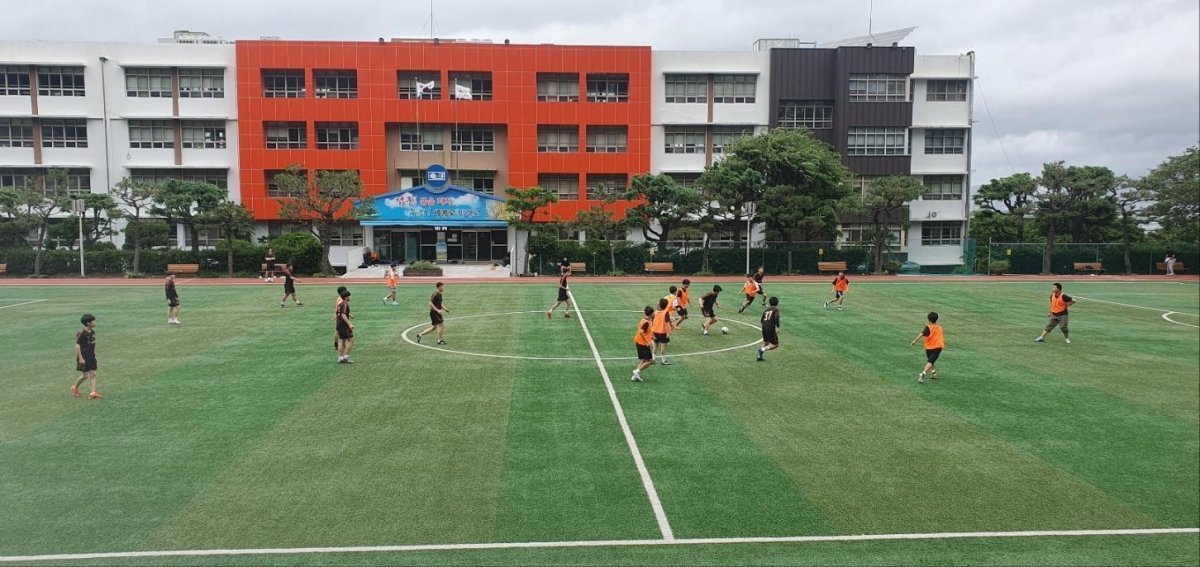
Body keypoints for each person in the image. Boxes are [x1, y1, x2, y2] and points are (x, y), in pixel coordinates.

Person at [71, 314, 102, 399]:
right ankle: (75, 387)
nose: (95, 322)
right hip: (84, 357)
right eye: (93, 321)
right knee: (85, 376)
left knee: (93, 373)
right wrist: (80, 358)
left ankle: (92, 393)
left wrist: (94, 355)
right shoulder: (82, 333)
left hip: (91, 356)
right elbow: (77, 346)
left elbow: (93, 344)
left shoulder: (92, 332)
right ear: (88, 323)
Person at [911, 312, 944, 383]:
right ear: (937, 319)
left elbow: (922, 334)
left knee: (931, 361)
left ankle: (933, 373)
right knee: (930, 361)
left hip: (928, 347)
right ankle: (923, 374)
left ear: (928, 319)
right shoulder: (940, 327)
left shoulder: (928, 327)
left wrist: (914, 341)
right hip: (937, 347)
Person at [631, 306, 656, 382]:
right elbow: (641, 332)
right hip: (643, 344)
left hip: (638, 342)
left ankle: (635, 376)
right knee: (651, 361)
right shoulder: (646, 323)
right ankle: (637, 371)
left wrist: (651, 337)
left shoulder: (643, 320)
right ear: (651, 314)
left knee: (643, 360)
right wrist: (648, 342)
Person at [756, 296, 781, 361]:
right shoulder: (776, 309)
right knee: (775, 344)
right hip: (770, 328)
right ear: (777, 303)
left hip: (764, 327)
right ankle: (762, 350)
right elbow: (776, 318)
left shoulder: (766, 310)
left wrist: (765, 326)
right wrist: (777, 327)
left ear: (769, 303)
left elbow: (761, 320)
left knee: (766, 342)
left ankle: (759, 356)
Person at [651, 297, 673, 365]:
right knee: (663, 347)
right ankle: (663, 360)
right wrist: (668, 333)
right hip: (663, 332)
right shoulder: (666, 313)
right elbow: (667, 324)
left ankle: (653, 359)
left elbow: (652, 321)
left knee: (655, 346)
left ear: (659, 305)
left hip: (655, 331)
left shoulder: (656, 312)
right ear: (666, 305)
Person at [335, 289, 355, 363]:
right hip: (344, 325)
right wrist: (349, 324)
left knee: (341, 341)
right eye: (349, 296)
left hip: (339, 324)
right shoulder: (345, 304)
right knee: (351, 340)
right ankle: (346, 357)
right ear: (346, 297)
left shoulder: (340, 304)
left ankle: (340, 357)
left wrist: (349, 314)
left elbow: (338, 313)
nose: (350, 298)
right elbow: (343, 314)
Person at [333, 285, 348, 350]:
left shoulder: (339, 298)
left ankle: (336, 344)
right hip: (340, 316)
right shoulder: (341, 299)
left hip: (338, 315)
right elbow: (339, 309)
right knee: (338, 331)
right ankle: (337, 344)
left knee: (337, 331)